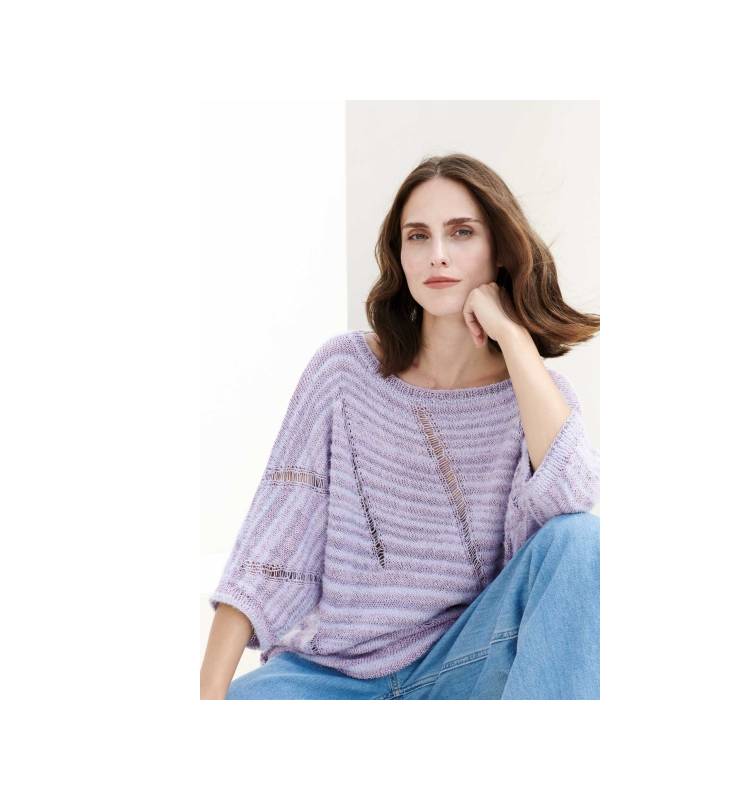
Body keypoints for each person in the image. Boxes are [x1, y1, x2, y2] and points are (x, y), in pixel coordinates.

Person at [200, 153, 600, 700]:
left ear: (500, 251)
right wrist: (208, 697)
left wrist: (512, 337)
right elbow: (270, 546)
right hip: (329, 678)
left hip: (465, 667)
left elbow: (573, 509)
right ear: (400, 255)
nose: (438, 254)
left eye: (461, 232)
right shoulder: (344, 371)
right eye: (418, 236)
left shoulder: (535, 397)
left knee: (582, 538)